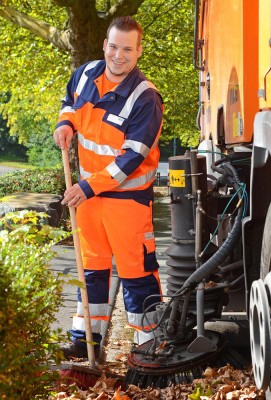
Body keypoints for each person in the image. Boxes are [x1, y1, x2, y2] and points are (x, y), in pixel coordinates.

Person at [53, 16, 163, 358]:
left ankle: (148, 345)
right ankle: (86, 339)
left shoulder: (146, 99)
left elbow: (130, 159)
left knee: (136, 272)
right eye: (114, 46)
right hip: (88, 197)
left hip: (125, 200)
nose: (119, 55)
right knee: (91, 269)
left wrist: (88, 187)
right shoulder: (85, 73)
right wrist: (65, 123)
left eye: (127, 49)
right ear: (104, 44)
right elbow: (69, 101)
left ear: (139, 51)